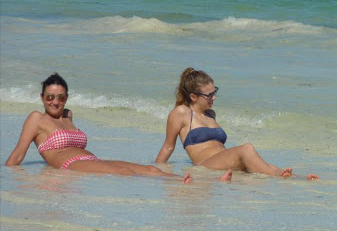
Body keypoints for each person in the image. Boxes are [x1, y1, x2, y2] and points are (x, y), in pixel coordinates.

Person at [5, 73, 199, 183]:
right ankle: (178, 185)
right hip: (69, 165)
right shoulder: (36, 118)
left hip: (91, 159)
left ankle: (188, 181)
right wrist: (7, 177)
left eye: (60, 97)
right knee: (124, 172)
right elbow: (18, 155)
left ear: (66, 98)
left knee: (150, 169)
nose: (55, 102)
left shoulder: (68, 115)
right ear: (42, 98)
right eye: (49, 97)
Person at [156, 68, 318, 180]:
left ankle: (294, 177)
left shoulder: (210, 115)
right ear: (193, 96)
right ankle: (281, 178)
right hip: (205, 165)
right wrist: (157, 172)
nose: (214, 98)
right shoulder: (182, 113)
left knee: (255, 165)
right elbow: (168, 147)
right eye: (209, 95)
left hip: (223, 162)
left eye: (215, 92)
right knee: (246, 149)